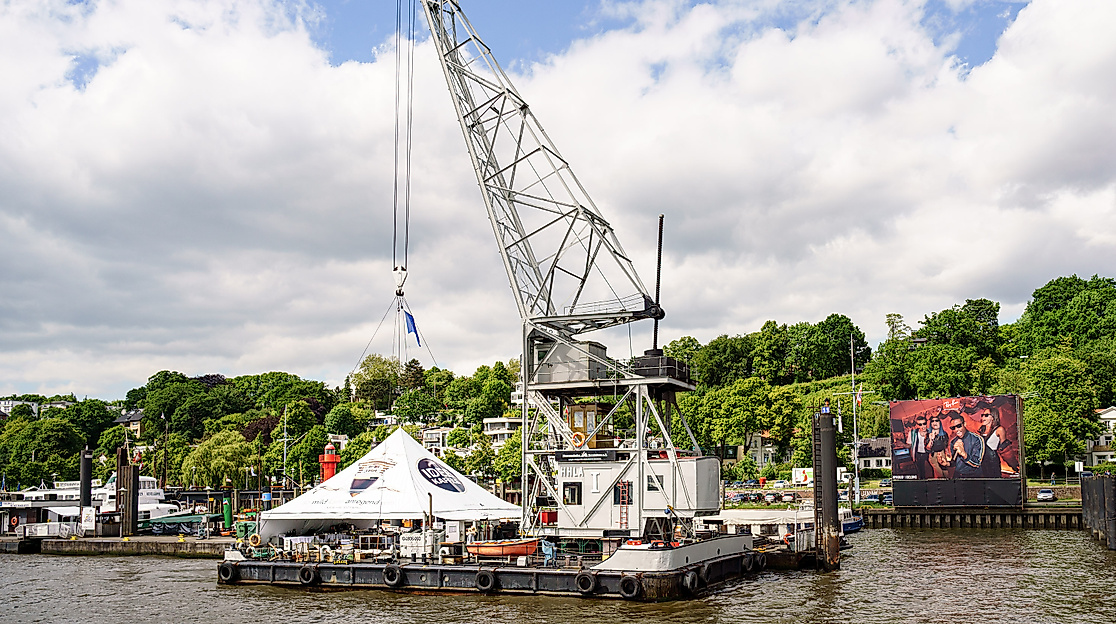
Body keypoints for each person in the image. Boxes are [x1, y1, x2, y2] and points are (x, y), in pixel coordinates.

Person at [949, 413, 985, 478]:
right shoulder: (953, 442)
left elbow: (977, 463)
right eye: (953, 428)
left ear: (964, 424)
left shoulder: (977, 439)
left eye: (959, 426)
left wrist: (964, 454)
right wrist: (946, 463)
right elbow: (954, 462)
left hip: (973, 477)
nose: (956, 430)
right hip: (958, 476)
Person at [979, 407, 1007, 478]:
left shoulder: (999, 429)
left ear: (993, 417)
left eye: (986, 415)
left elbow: (1005, 449)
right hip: (982, 462)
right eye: (982, 415)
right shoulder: (981, 429)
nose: (983, 417)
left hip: (993, 462)